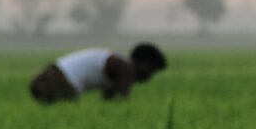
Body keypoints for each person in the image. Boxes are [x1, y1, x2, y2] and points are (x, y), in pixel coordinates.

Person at [29, 42, 167, 103]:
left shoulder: (117, 63)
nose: (149, 76)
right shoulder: (126, 68)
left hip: (45, 77)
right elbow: (119, 103)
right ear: (143, 62)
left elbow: (108, 101)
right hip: (58, 81)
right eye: (151, 70)